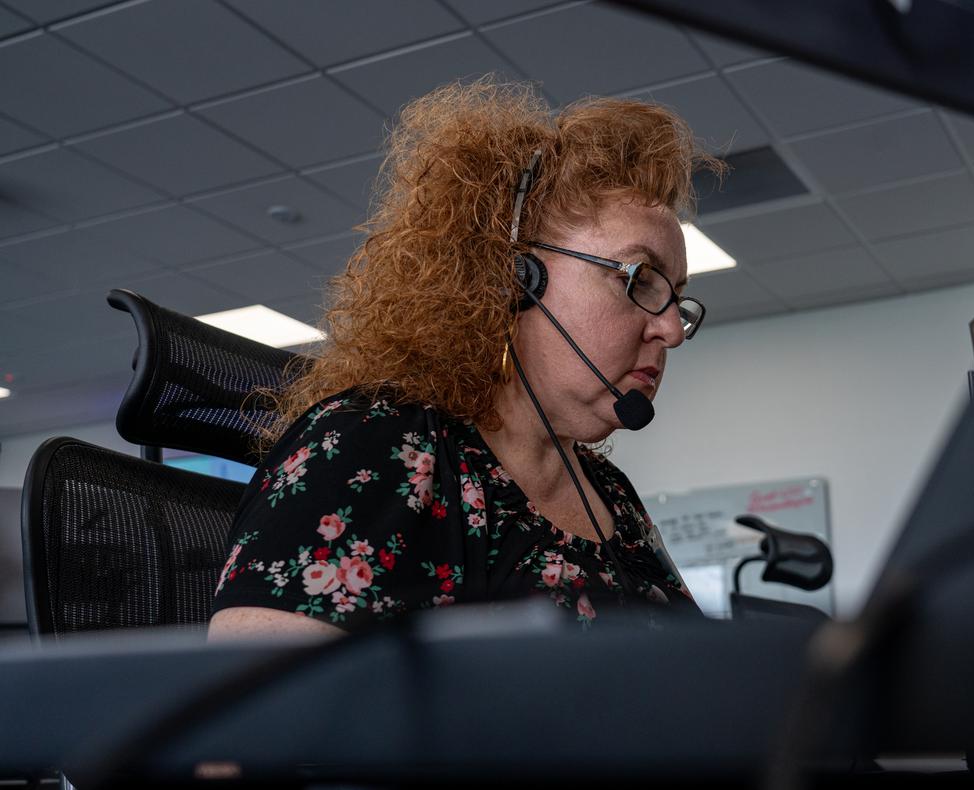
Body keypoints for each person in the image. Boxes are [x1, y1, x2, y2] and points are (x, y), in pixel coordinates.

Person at [207, 78, 724, 639]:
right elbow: (256, 713)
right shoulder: (378, 448)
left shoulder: (611, 494)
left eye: (676, 296)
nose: (671, 329)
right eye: (640, 279)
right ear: (514, 276)